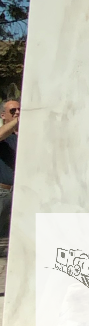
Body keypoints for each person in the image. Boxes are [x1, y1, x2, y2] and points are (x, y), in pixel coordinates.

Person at [0, 99, 19, 248]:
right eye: (13, 111)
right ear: (3, 115)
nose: (17, 113)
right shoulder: (4, 135)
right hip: (3, 193)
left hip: (22, 194)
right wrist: (16, 122)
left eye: (19, 110)